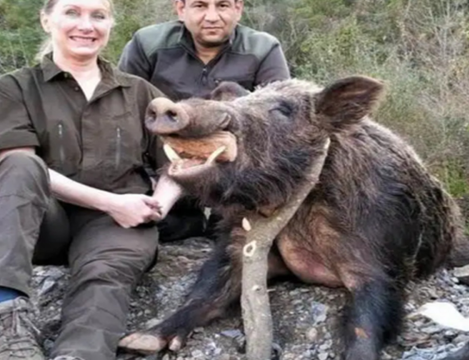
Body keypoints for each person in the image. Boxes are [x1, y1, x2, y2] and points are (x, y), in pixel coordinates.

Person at [0, 0, 182, 359]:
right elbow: (14, 161)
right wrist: (111, 202)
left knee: (105, 274)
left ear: (110, 25)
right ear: (46, 19)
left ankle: (78, 354)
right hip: (39, 221)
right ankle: (7, 324)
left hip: (115, 224)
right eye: (72, 12)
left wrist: (156, 206)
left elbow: (178, 161)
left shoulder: (140, 92)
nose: (86, 25)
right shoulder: (14, 87)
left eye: (98, 16)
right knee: (22, 167)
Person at [118, 0, 291, 242]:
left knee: (235, 233)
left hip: (230, 170)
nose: (212, 16)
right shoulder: (147, 43)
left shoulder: (263, 48)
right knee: (148, 227)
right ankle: (186, 217)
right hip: (163, 162)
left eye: (222, 6)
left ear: (237, 9)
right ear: (181, 9)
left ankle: (224, 213)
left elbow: (278, 120)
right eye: (200, 6)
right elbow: (123, 111)